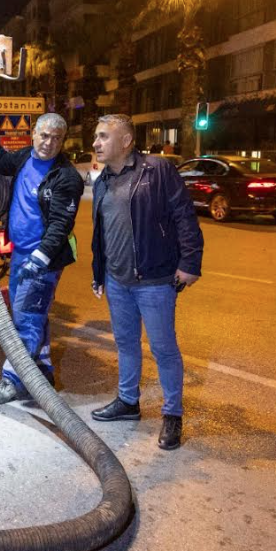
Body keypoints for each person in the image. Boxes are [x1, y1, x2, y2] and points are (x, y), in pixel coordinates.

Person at [88, 114, 202, 450]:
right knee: (125, 344)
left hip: (154, 279)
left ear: (125, 141)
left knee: (164, 350)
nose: (96, 143)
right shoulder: (101, 182)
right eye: (96, 136)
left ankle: (172, 414)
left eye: (103, 136)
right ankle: (127, 401)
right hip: (117, 280)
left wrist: (190, 262)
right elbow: (102, 234)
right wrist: (99, 273)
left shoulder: (157, 171)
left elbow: (184, 215)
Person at [0, 108, 84, 404]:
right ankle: (42, 370)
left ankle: (14, 380)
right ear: (34, 134)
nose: (48, 142)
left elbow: (61, 224)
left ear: (63, 142)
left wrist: (40, 258)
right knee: (35, 316)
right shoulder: (24, 157)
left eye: (56, 138)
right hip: (21, 253)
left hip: (42, 260)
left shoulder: (66, 177)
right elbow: (0, 161)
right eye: (44, 135)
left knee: (25, 319)